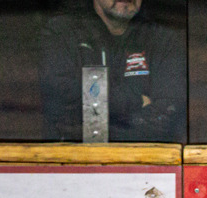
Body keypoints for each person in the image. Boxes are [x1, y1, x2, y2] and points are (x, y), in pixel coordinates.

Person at [39, 0, 186, 142]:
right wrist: (135, 101)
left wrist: (96, 126)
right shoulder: (62, 34)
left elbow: (167, 120)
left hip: (143, 157)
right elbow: (62, 110)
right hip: (75, 157)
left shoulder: (163, 40)